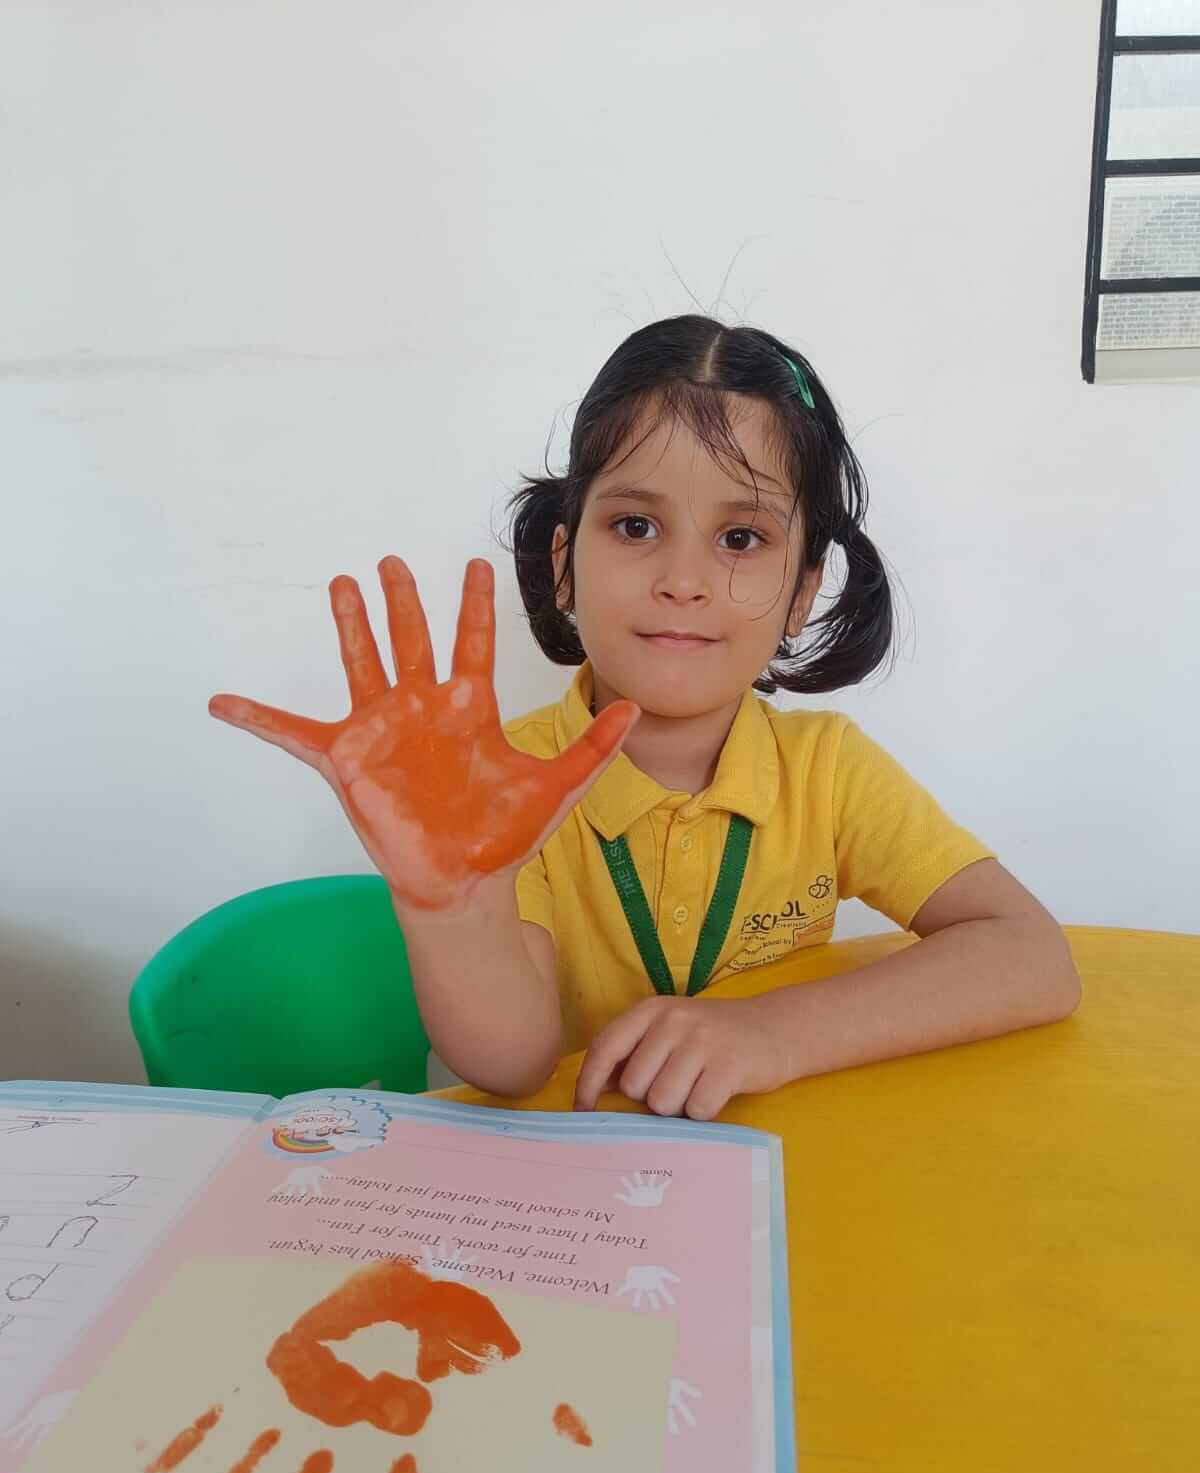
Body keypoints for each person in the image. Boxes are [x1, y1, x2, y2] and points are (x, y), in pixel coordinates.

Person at [209, 314, 1081, 1120]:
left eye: (741, 539)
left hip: (782, 1173)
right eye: (634, 525)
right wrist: (454, 908)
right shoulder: (508, 784)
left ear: (802, 593)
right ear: (564, 563)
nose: (684, 579)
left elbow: (1034, 957)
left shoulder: (830, 770)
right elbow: (510, 1063)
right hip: (574, 1205)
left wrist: (774, 1032)